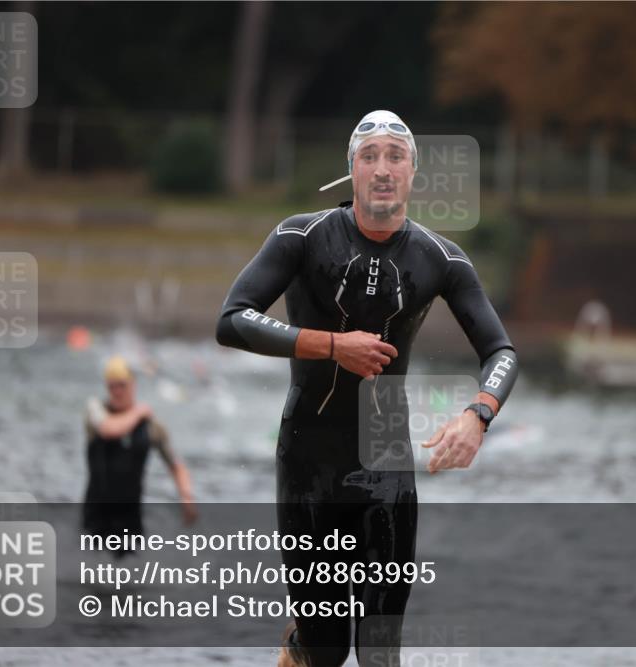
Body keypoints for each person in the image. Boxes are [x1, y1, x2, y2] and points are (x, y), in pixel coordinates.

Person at [215, 110, 518, 666]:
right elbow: (232, 319)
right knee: (326, 655)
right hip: (309, 460)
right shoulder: (300, 237)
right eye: (370, 156)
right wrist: (331, 345)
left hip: (386, 460)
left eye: (395, 157)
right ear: (351, 169)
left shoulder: (441, 258)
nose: (383, 168)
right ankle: (301, 644)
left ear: (412, 173)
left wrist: (478, 414)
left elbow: (501, 351)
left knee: (380, 654)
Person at [82, 355, 196, 555]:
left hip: (130, 516)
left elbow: (176, 465)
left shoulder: (151, 427)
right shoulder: (95, 410)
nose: (116, 391)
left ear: (132, 385)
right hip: (97, 513)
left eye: (122, 385)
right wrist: (139, 411)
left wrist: (186, 497)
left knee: (130, 578)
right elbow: (110, 429)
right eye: (112, 386)